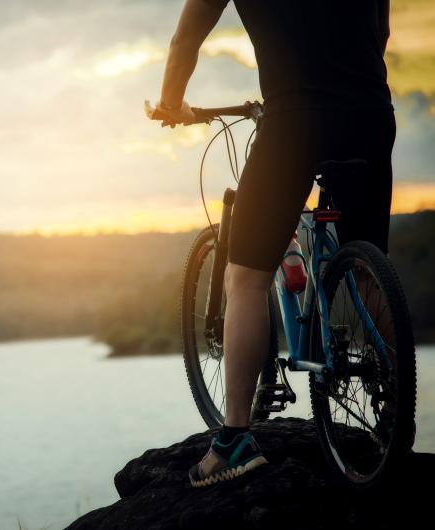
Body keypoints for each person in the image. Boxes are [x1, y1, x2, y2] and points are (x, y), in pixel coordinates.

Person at [152, 0, 394, 487]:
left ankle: (234, 440)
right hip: (371, 114)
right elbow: (381, 29)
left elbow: (184, 41)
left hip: (296, 122)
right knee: (371, 272)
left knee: (244, 278)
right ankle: (395, 402)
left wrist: (170, 102)